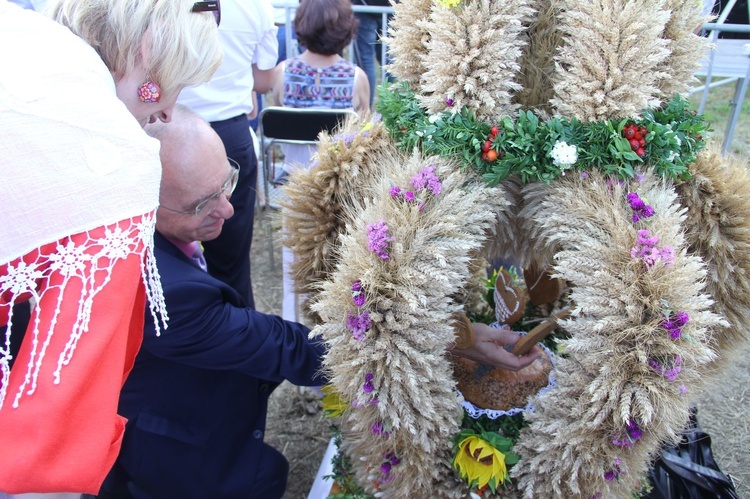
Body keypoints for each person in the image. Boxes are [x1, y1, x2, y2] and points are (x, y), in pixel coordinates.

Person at [99, 106, 540, 498]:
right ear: (143, 201)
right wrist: (444, 339)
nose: (229, 210)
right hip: (174, 457)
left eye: (227, 182)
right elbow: (284, 347)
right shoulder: (169, 292)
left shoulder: (151, 233)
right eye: (201, 203)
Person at [0, 0, 221, 495]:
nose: (166, 109)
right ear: (147, 52)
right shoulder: (113, 153)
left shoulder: (20, 38)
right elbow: (63, 403)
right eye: (176, 82)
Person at [179, 0, 278, 309]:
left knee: (164, 254)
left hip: (170, 128)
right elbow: (264, 81)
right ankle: (238, 330)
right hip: (227, 133)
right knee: (231, 259)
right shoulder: (256, 6)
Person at [351, 0, 395, 107]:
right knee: (389, 61)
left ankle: (366, 109)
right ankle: (391, 108)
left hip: (364, 7)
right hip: (389, 8)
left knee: (367, 62)